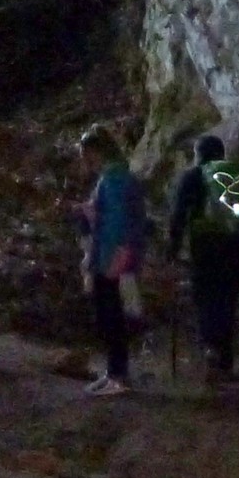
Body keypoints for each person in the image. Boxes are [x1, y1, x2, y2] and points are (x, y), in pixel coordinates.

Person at [168, 133, 239, 385]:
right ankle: (225, 364)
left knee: (206, 298)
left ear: (198, 154)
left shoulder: (193, 176)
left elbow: (178, 214)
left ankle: (211, 354)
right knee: (228, 300)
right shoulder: (235, 176)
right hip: (236, 247)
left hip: (206, 245)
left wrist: (173, 249)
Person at [76, 126, 147, 398]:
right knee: (110, 314)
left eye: (86, 154)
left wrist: (111, 258)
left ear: (96, 152)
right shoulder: (117, 176)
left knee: (111, 315)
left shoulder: (114, 179)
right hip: (115, 253)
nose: (85, 160)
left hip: (111, 256)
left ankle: (119, 375)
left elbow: (117, 222)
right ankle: (114, 372)